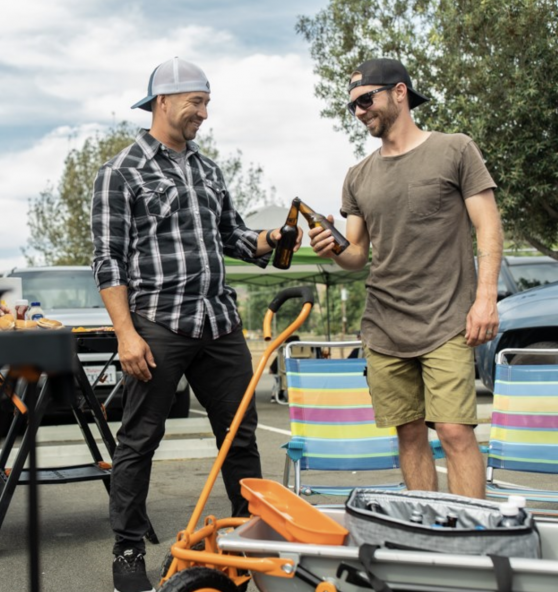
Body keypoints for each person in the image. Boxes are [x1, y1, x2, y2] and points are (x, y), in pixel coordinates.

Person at [91, 56, 302, 592]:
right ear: (163, 101)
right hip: (158, 322)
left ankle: (246, 536)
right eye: (196, 103)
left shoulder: (207, 169)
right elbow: (108, 260)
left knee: (240, 436)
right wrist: (125, 333)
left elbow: (234, 236)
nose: (204, 114)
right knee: (140, 438)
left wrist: (272, 240)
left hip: (219, 321)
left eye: (206, 104)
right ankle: (129, 549)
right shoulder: (121, 172)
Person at [310, 58, 502, 499]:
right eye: (352, 105)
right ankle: (427, 533)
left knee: (454, 432)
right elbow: (357, 255)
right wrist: (333, 244)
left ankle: (473, 541)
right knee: (410, 434)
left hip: (447, 318)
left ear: (400, 92)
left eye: (366, 99)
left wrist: (485, 297)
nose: (359, 111)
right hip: (384, 325)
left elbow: (488, 226)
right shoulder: (358, 175)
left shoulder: (455, 149)